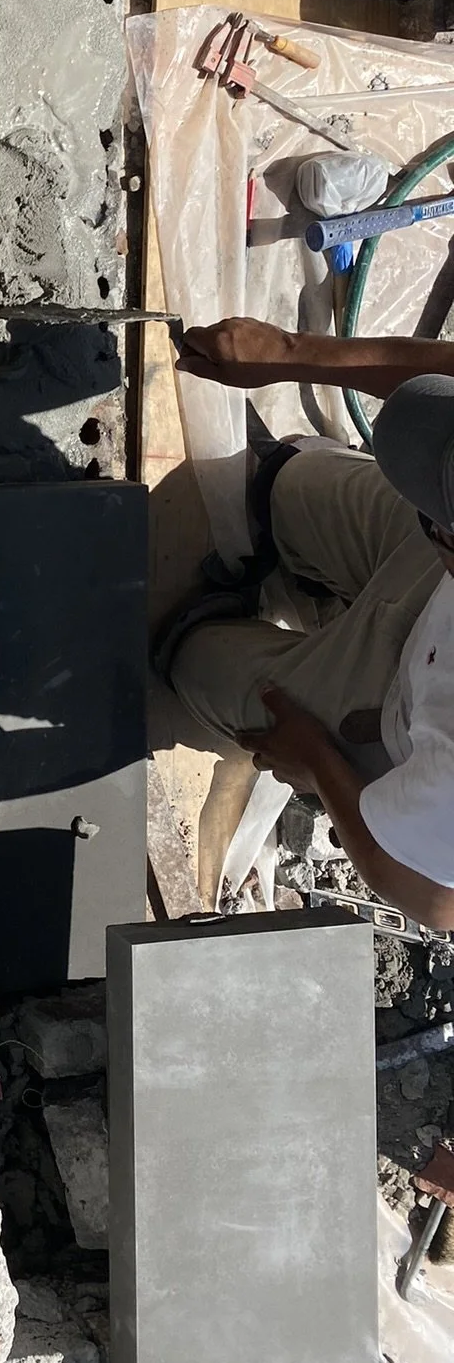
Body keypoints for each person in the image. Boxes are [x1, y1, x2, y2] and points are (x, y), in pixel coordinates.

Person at [165, 317, 454, 929]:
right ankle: (293, 535)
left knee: (196, 659)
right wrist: (293, 355)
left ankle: (243, 635)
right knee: (285, 487)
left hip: (399, 720)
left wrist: (320, 764)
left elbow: (437, 902)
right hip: (432, 580)